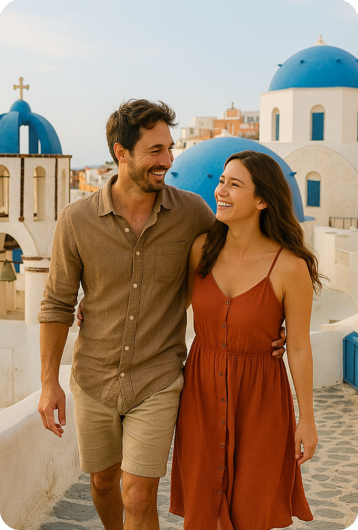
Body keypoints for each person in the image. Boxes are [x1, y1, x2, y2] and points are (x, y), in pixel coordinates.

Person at [37, 99, 286, 530]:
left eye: (169, 148)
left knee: (138, 491)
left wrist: (266, 320)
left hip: (158, 376)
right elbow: (57, 303)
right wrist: (47, 383)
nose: (167, 160)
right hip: (94, 375)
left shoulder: (192, 213)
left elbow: (238, 256)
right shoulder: (76, 220)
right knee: (102, 481)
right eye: (155, 150)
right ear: (122, 153)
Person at [170, 150, 319, 530]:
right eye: (221, 181)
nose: (221, 190)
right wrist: (95, 305)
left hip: (261, 399)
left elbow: (299, 346)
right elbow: (168, 304)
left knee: (252, 510)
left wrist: (307, 420)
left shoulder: (289, 266)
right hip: (200, 394)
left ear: (262, 199)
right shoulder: (200, 250)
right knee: (204, 510)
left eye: (235, 184)